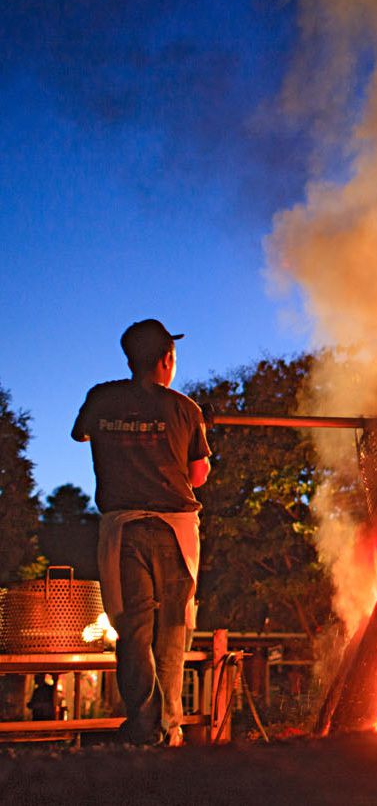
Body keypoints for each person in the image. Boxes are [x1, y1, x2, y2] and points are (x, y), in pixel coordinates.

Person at [72, 319, 211, 745]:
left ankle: (143, 723)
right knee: (172, 627)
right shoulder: (185, 408)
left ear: (130, 358)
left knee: (132, 628)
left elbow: (80, 435)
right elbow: (199, 474)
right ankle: (168, 726)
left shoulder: (101, 397)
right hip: (175, 528)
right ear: (167, 359)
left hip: (123, 527)